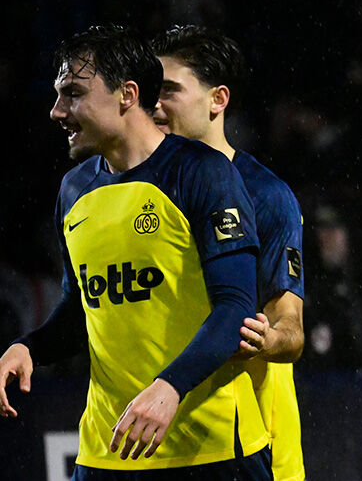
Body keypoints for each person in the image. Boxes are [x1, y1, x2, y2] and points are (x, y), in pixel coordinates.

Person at [0, 25, 271, 478]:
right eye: (58, 95)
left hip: (212, 449)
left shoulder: (202, 173)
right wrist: (29, 347)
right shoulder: (74, 190)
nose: (56, 111)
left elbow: (235, 309)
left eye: (73, 94)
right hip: (108, 450)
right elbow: (82, 311)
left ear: (127, 94)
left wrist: (170, 387)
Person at [152, 25, 306, 481]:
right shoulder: (136, 190)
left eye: (169, 91)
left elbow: (292, 329)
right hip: (157, 426)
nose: (154, 106)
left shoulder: (267, 195)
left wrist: (266, 340)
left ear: (217, 100)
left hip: (250, 437)